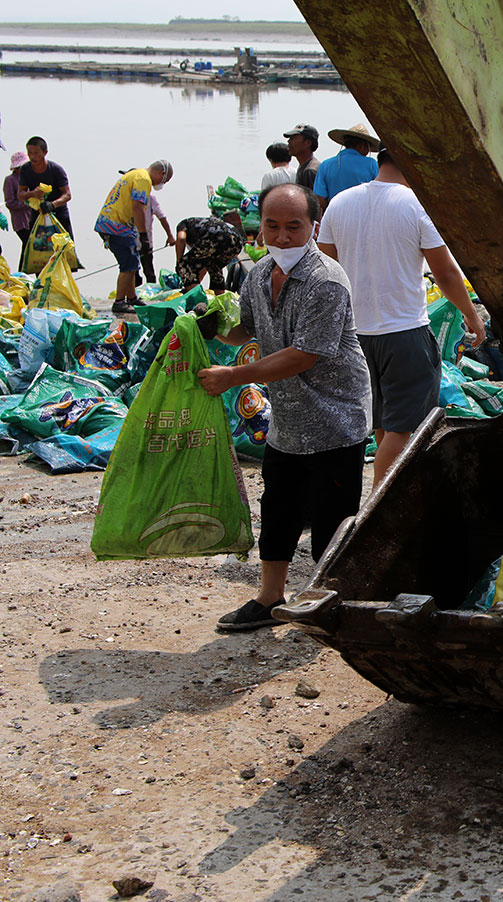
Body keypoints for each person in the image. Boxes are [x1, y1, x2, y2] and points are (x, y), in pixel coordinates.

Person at [197, 183, 370, 632]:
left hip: (334, 419)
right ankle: (270, 597)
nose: (282, 237)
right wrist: (212, 325)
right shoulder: (258, 274)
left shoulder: (326, 280)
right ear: (260, 227)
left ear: (314, 226)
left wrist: (233, 376)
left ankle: (328, 601)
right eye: (272, 226)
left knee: (333, 519)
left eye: (294, 226)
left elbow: (304, 355)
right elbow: (246, 329)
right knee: (278, 509)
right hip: (288, 421)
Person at [318, 146, 486, 484]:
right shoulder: (415, 204)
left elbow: (326, 267)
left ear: (379, 162)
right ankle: (379, 505)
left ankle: (382, 495)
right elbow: (445, 273)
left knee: (383, 423)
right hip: (405, 333)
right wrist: (471, 314)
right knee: (404, 430)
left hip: (356, 336)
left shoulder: (339, 203)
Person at [96, 160, 172, 315]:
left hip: (115, 223)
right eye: (165, 181)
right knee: (128, 264)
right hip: (116, 225)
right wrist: (143, 235)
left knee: (132, 262)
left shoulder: (136, 174)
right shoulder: (143, 179)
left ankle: (131, 298)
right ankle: (119, 302)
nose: (162, 184)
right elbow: (137, 207)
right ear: (162, 174)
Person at [16, 136, 74, 242]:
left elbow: (67, 195)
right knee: (35, 248)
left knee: (64, 248)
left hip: (58, 216)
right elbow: (20, 195)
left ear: (45, 152)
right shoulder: (25, 169)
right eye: (30, 153)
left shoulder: (56, 170)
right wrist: (33, 193)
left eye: (36, 153)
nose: (33, 156)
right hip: (37, 216)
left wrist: (52, 205)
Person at [312, 123, 379, 213]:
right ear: (361, 145)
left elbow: (320, 199)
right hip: (364, 215)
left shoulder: (326, 165)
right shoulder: (371, 164)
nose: (368, 151)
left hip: (335, 214)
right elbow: (379, 192)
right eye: (368, 147)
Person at [175, 213, 245, 294]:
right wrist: (194, 282)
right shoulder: (200, 227)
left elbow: (181, 238)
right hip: (237, 242)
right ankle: (219, 296)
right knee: (214, 267)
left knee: (184, 264)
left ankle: (197, 297)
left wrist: (179, 262)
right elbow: (203, 267)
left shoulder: (183, 224)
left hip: (215, 236)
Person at [137, 180, 174, 286]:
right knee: (132, 272)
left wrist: (170, 235)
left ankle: (151, 291)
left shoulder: (150, 198)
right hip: (129, 241)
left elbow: (161, 216)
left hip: (145, 240)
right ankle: (133, 293)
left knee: (149, 270)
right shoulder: (126, 199)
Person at [3, 150, 33, 265]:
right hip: (20, 221)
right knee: (28, 244)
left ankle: (33, 272)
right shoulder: (10, 180)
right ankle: (22, 272)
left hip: (32, 219)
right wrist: (27, 203)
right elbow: (10, 203)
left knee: (32, 247)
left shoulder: (28, 179)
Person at [283, 123, 320, 191]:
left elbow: (311, 197)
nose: (289, 141)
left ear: (308, 143)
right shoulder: (305, 166)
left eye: (294, 138)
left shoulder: (309, 171)